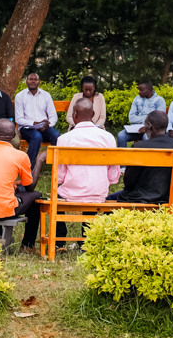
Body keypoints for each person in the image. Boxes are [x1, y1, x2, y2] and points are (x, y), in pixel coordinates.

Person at [0, 118, 47, 253]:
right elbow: (30, 187)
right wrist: (39, 161)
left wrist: (11, 184)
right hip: (3, 209)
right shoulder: (20, 155)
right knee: (36, 197)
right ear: (14, 136)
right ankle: (27, 245)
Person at [54, 99, 119, 246]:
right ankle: (87, 240)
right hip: (98, 192)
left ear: (74, 114)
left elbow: (60, 177)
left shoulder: (64, 139)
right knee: (93, 190)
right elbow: (113, 177)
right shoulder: (107, 137)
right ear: (94, 114)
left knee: (59, 195)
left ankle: (59, 241)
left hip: (72, 194)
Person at [110, 111, 173, 203]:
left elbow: (128, 182)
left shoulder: (139, 147)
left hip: (138, 199)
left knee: (109, 199)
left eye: (145, 124)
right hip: (167, 198)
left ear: (149, 126)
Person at [14, 72, 60, 168]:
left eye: (35, 79)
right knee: (37, 136)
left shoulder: (46, 95)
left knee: (56, 136)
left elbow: (53, 116)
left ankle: (57, 166)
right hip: (27, 128)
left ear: (39, 82)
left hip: (44, 127)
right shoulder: (20, 96)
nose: (33, 81)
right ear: (26, 81)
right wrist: (34, 124)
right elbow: (19, 119)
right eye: (31, 79)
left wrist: (47, 124)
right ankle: (29, 167)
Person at [116, 81, 167, 147]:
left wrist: (146, 127)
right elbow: (131, 118)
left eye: (141, 90)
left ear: (150, 90)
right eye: (139, 90)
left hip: (151, 130)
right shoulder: (136, 99)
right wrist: (149, 119)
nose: (139, 92)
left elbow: (159, 120)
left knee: (146, 138)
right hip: (136, 129)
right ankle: (124, 157)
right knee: (121, 136)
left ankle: (145, 157)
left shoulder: (159, 100)